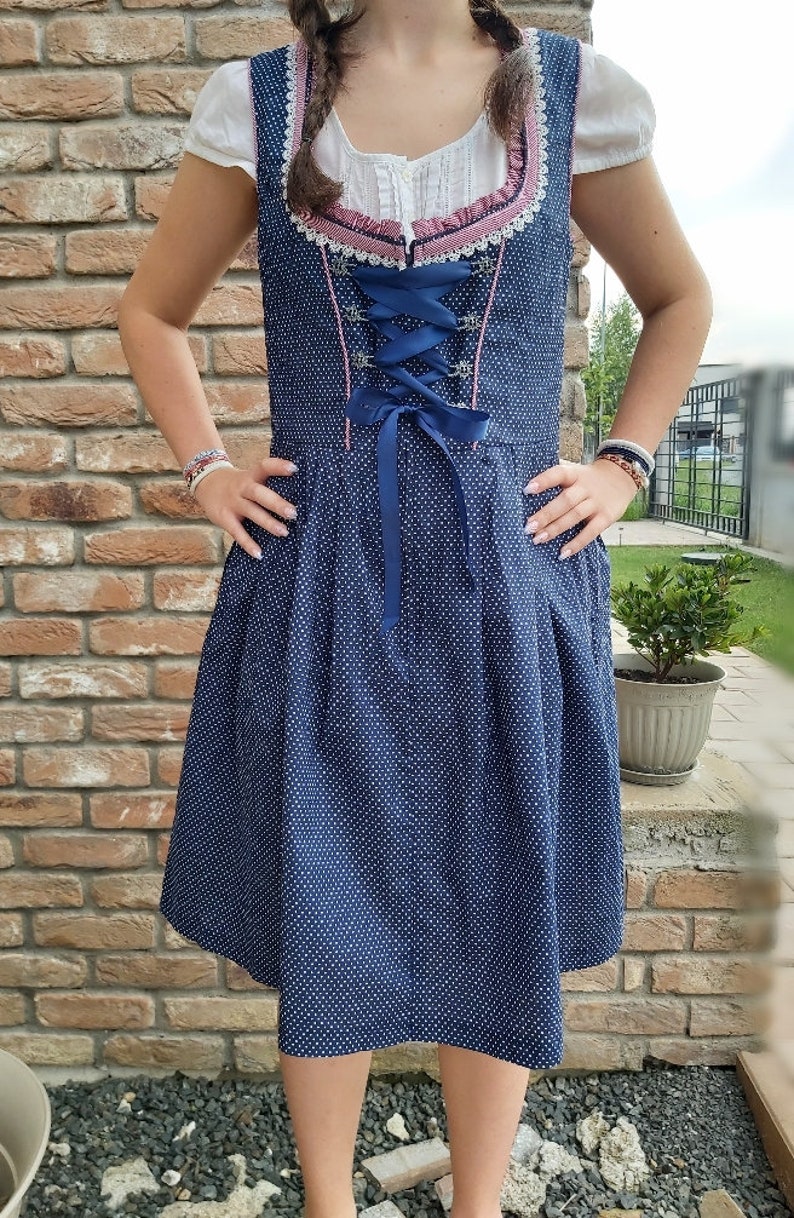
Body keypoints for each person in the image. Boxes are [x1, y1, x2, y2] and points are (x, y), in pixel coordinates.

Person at [117, 3, 712, 1218]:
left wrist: (621, 462)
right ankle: (330, 1206)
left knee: (499, 896)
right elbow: (150, 313)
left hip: (507, 578)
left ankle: (475, 1205)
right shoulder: (262, 101)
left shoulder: (566, 93)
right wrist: (207, 469)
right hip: (321, 574)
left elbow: (677, 300)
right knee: (324, 890)